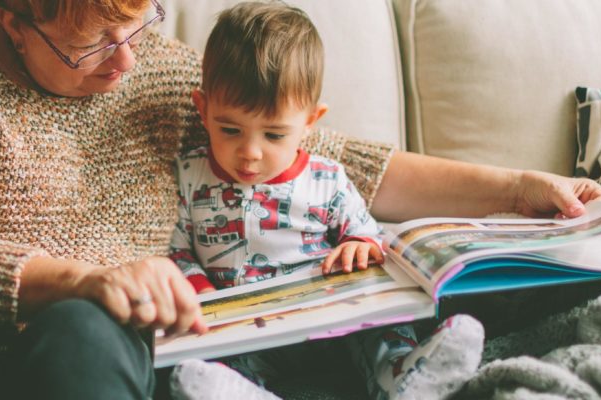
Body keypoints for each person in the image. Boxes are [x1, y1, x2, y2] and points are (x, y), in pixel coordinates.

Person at [0, 0, 601, 398]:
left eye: (140, 21)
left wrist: (516, 186)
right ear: (13, 20)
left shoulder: (163, 70)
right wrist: (80, 275)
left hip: (95, 367)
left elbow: (332, 163)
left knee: (87, 332)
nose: (125, 60)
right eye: (91, 44)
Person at [164, 4, 482, 400]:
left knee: (383, 328)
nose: (250, 152)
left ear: (311, 121)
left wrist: (358, 247)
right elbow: (175, 249)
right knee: (203, 362)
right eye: (230, 129)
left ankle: (403, 374)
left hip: (335, 327)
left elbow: (369, 234)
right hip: (244, 336)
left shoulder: (327, 178)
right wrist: (200, 290)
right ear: (203, 108)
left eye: (275, 135)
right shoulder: (189, 175)